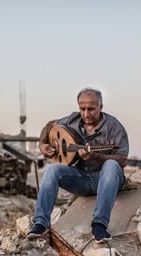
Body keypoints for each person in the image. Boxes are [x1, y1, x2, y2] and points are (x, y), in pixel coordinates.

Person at [27, 88, 129, 242]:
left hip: (106, 179)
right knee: (53, 169)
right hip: (81, 179)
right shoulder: (71, 121)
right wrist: (42, 144)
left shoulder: (114, 127)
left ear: (101, 107)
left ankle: (99, 225)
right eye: (82, 109)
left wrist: (95, 155)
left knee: (111, 165)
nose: (86, 114)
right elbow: (49, 126)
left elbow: (122, 159)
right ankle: (41, 223)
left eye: (91, 109)